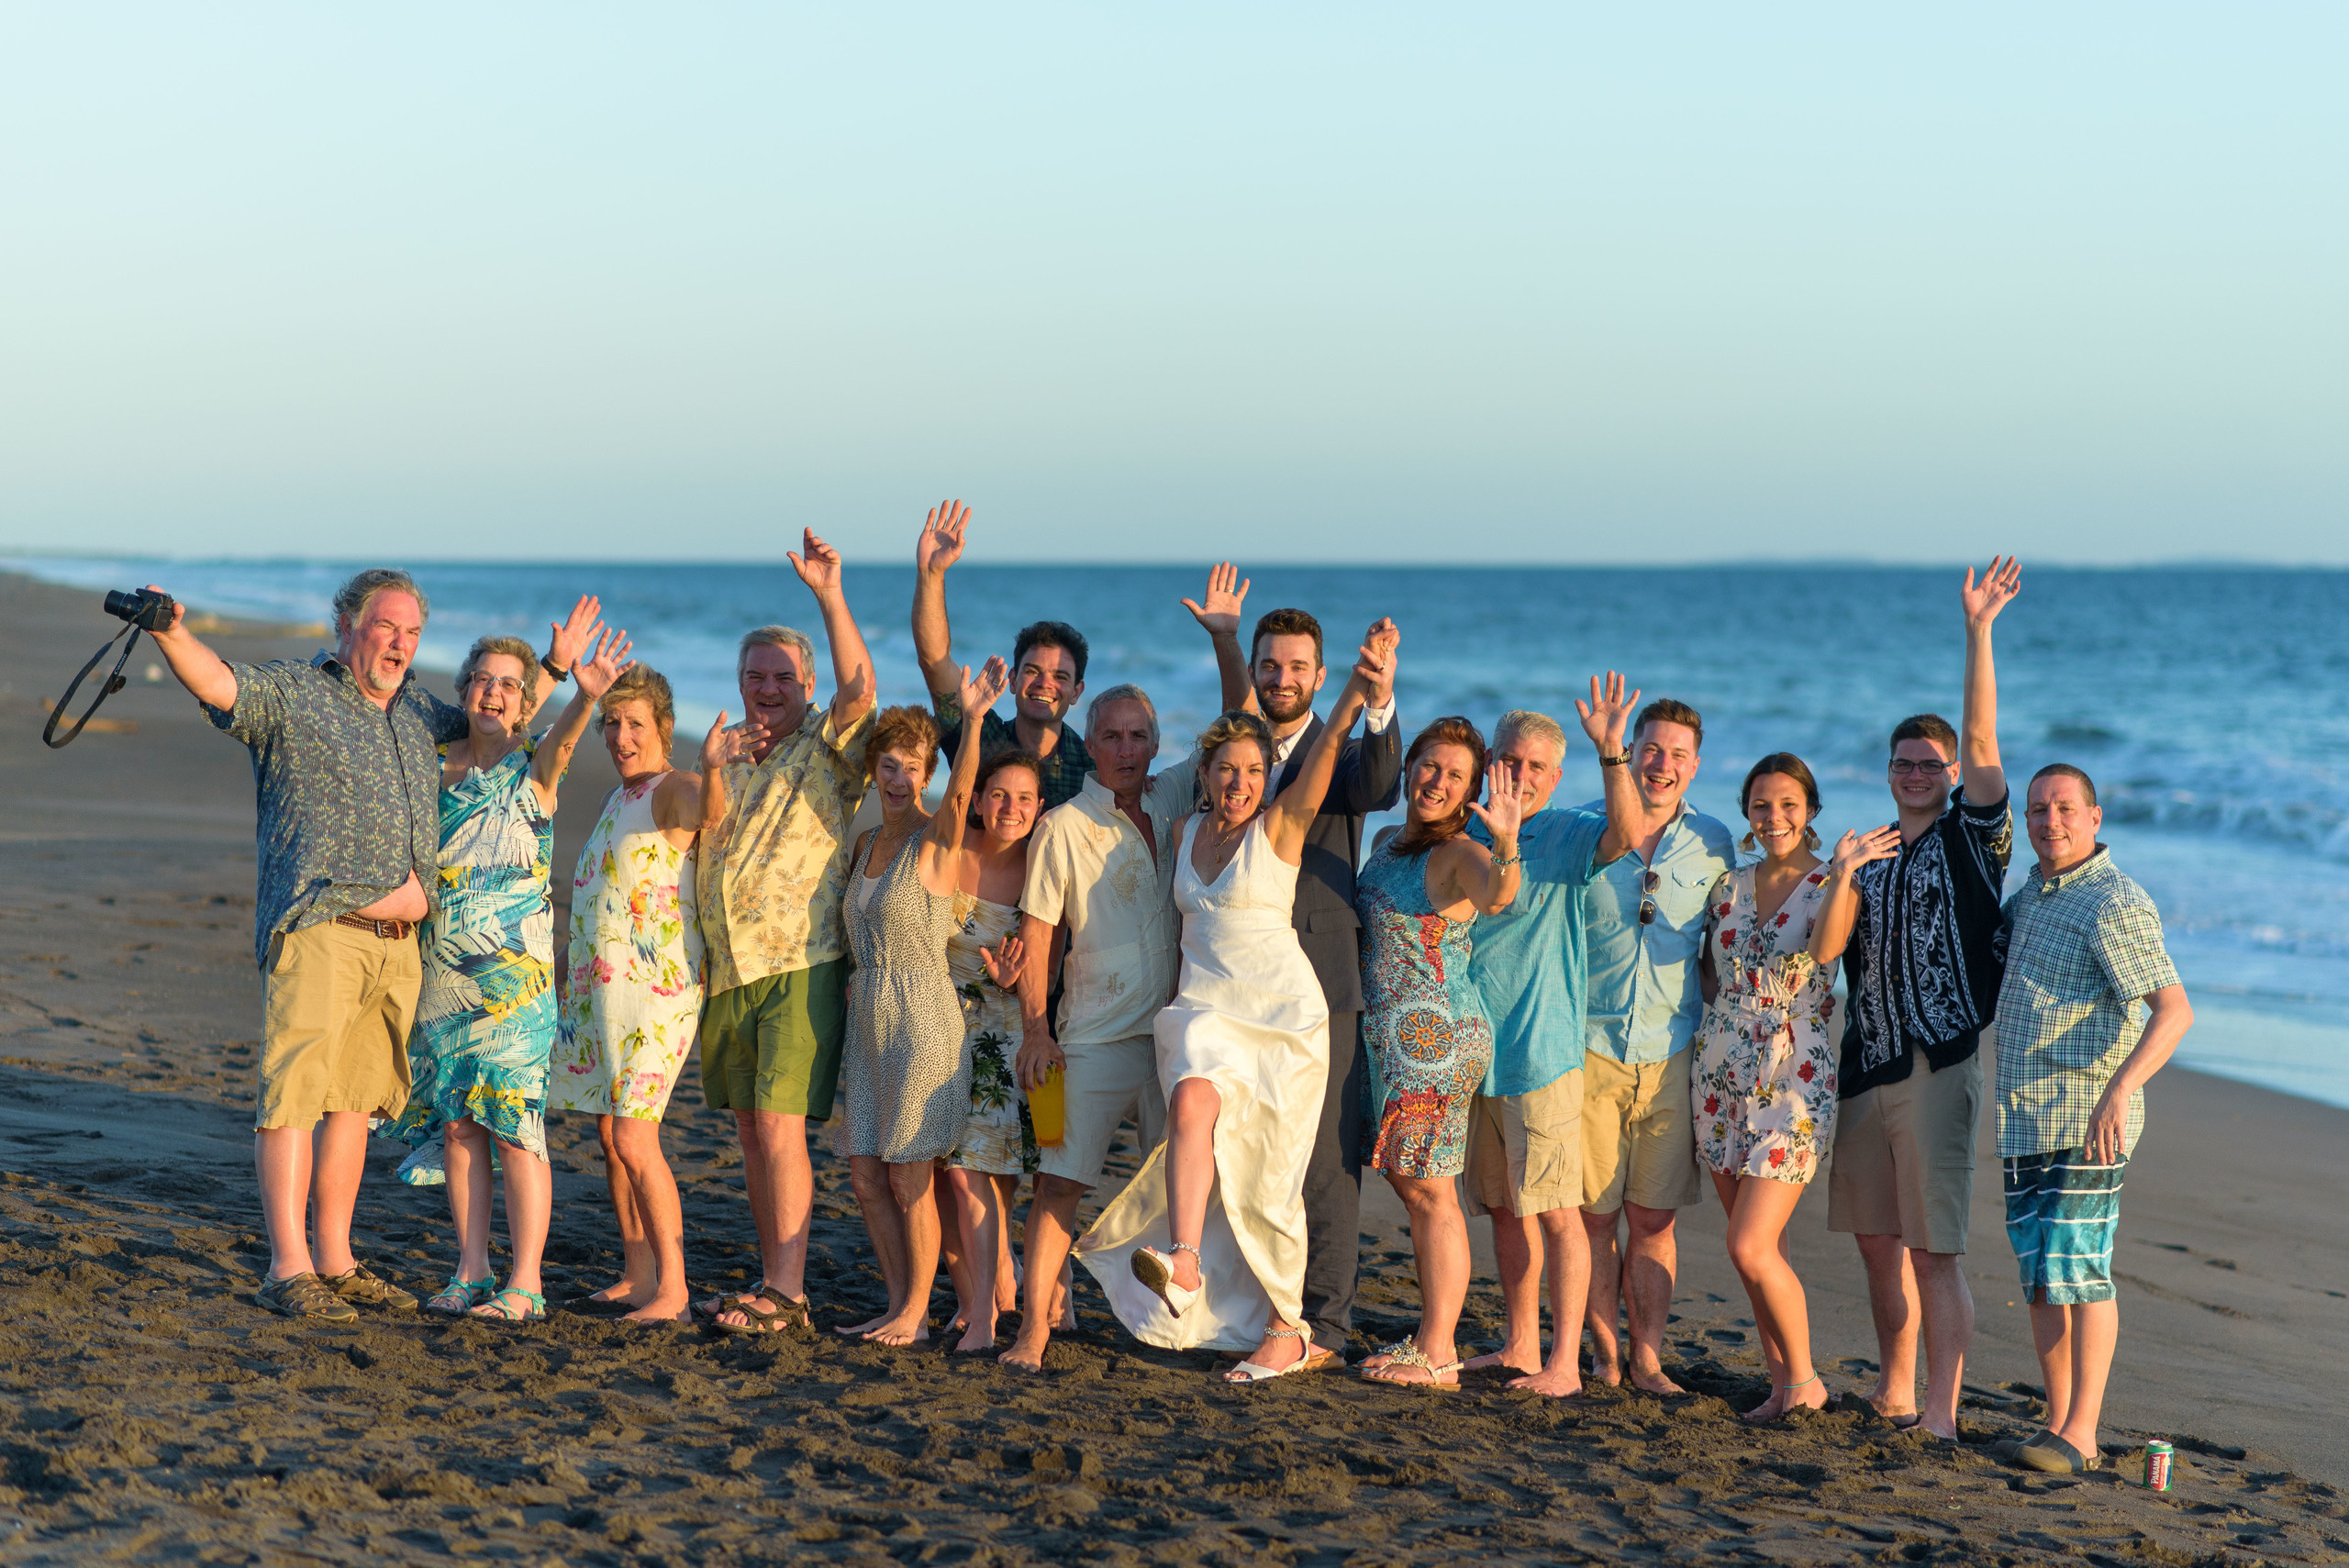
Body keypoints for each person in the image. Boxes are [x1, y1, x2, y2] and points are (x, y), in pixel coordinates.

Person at [144, 568, 565, 1322]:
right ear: (347, 626)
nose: (400, 644)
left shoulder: (414, 711)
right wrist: (170, 630)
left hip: (398, 949)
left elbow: (490, 725)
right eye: (385, 627)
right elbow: (218, 683)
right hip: (322, 931)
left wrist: (557, 674)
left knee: (354, 1106)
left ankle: (334, 1260)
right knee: (295, 1100)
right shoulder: (295, 694)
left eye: (412, 634)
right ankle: (288, 1266)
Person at [1078, 623, 1392, 1381]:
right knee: (1191, 1103)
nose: (1240, 782)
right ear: (1207, 771)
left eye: (1254, 770)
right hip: (1206, 1008)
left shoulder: (1280, 827)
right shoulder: (1185, 829)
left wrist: (1356, 688)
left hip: (1280, 1016)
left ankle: (1289, 1326)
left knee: (1267, 1171)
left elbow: (1320, 762)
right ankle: (1184, 1263)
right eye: (1227, 768)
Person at [1810, 556, 2021, 1440]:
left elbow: (1982, 741)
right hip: (1868, 1069)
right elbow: (1825, 958)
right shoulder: (1875, 852)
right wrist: (1844, 876)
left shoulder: (1974, 840)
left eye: (1929, 763)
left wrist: (1977, 631)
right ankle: (1896, 1387)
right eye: (1902, 762)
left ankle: (1941, 1409)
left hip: (1939, 1068)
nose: (1915, 772)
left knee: (1935, 1252)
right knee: (1876, 1245)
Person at [1188, 563, 1404, 1367]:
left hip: (1321, 978)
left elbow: (1382, 782)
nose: (1282, 679)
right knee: (1246, 1151)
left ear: (1320, 675)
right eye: (1268, 665)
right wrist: (1221, 641)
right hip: (1233, 988)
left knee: (1322, 1161)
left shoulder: (1335, 750)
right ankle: (1256, 1307)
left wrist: (1376, 698)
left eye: (1297, 668)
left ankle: (1326, 1327)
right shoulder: (1235, 751)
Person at [395, 615, 631, 1323]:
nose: (493, 694)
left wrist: (583, 694)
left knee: (515, 1126)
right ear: (464, 689)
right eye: (483, 681)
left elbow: (559, 744)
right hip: (443, 973)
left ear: (528, 703)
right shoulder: (432, 766)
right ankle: (470, 1270)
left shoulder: (533, 767)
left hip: (516, 980)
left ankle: (525, 1283)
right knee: (461, 1125)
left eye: (509, 686)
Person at [690, 531, 879, 1334]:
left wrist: (829, 596)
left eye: (783, 678)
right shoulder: (726, 754)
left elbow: (863, 692)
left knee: (779, 1126)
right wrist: (708, 767)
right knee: (748, 1131)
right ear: (739, 682)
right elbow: (707, 842)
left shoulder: (829, 750)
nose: (768, 689)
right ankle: (773, 1280)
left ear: (806, 684)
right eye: (755, 677)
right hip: (728, 968)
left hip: (801, 964)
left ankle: (789, 1290)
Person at [1995, 764, 2192, 1474]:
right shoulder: (2035, 895)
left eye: (2066, 808)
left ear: (2096, 816)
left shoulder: (2115, 900)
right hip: (2023, 1117)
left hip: (2086, 1118)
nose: (2052, 821)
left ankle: (2082, 1431)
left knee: (2081, 1273)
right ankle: (2058, 1421)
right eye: (2039, 809)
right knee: (2044, 1278)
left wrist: (2121, 1089)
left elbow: (2174, 1010)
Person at [997, 683, 1198, 1372]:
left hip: (1175, 1036)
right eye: (1111, 736)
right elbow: (1040, 934)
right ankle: (1033, 1330)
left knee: (1187, 1186)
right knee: (1060, 1182)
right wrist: (1035, 1031)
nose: (1126, 750)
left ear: (1157, 742)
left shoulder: (1173, 797)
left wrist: (1226, 643)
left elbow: (1241, 728)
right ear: (1089, 742)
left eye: (1139, 736)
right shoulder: (1061, 826)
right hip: (1088, 1039)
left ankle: (1184, 1324)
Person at [829, 660, 1013, 1348]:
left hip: (924, 1017)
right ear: (874, 769)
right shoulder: (866, 841)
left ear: (929, 773)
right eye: (889, 765)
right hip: (870, 1017)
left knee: (910, 1172)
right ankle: (900, 1300)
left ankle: (915, 1312)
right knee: (866, 1174)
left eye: (913, 766)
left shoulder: (936, 837)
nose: (900, 778)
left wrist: (970, 720)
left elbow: (967, 790)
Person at [1575, 680, 1736, 1395]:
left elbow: (1725, 946)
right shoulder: (1583, 827)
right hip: (1587, 1047)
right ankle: (1603, 1356)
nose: (1662, 764)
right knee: (1591, 1217)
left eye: (1677, 754)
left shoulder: (1714, 842)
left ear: (1695, 765)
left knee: (1652, 1218)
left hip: (1674, 1052)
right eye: (1650, 749)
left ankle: (1646, 1357)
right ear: (1629, 751)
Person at [1353, 716, 1522, 1388]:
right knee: (1416, 1184)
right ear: (1409, 765)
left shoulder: (1457, 852)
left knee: (1430, 1192)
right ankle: (1433, 1335)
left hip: (1436, 1038)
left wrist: (1505, 842)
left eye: (1455, 775)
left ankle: (1440, 1348)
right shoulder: (1389, 841)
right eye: (1429, 764)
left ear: (1469, 792)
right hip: (1396, 1039)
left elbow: (1499, 893)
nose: (1436, 780)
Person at [545, 664, 709, 1324]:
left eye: (634, 723)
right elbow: (594, 898)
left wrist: (717, 767)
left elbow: (708, 809)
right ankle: (638, 1274)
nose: (619, 735)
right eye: (611, 723)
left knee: (637, 1138)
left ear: (664, 728)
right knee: (613, 1133)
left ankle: (674, 1288)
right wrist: (561, 973)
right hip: (598, 991)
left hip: (655, 992)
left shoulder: (675, 789)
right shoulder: (620, 796)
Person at [1458, 709, 1609, 1398]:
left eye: (1538, 768)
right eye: (1511, 762)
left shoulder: (1570, 829)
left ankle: (1566, 1363)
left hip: (1541, 1050)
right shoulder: (1461, 829)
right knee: (1503, 1208)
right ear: (1491, 758)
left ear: (1557, 776)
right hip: (1473, 1053)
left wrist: (1613, 751)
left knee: (1556, 1211)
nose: (1521, 778)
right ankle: (1520, 1342)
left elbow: (1629, 833)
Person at [1693, 753, 1847, 1419]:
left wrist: (1844, 873)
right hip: (1720, 1071)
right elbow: (1708, 973)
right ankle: (1783, 1383)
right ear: (1747, 812)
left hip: (1793, 1076)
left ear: (1810, 810)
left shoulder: (1829, 884)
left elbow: (1828, 951)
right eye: (1761, 804)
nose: (1774, 816)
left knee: (1749, 1244)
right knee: (1762, 1253)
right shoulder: (1726, 886)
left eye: (1789, 804)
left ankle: (1806, 1380)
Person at [937, 747, 1048, 1352]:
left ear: (1040, 808)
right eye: (999, 795)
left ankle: (988, 1309)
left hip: (1010, 1039)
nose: (1010, 808)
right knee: (954, 1176)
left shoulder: (1042, 868)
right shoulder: (950, 853)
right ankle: (983, 1297)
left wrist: (1020, 982)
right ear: (978, 801)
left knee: (989, 1177)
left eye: (1024, 798)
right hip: (938, 1029)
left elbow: (1061, 956)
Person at [913, 499, 1096, 809]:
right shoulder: (979, 735)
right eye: (1033, 671)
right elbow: (934, 661)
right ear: (1012, 680)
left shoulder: (1092, 768)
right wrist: (931, 574)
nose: (1044, 683)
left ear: (1077, 691)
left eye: (1060, 676)